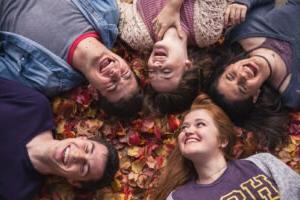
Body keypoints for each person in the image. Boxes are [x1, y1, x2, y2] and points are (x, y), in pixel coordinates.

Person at [0, 0, 143, 118]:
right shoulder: (106, 11)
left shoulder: (44, 78)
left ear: (94, 91)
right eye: (126, 75)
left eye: (112, 86)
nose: (116, 74)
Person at [153, 94, 300, 200]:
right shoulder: (178, 197)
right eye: (184, 127)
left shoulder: (261, 163)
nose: (188, 131)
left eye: (200, 124)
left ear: (222, 140)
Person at [0, 77, 119, 199]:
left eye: (84, 167)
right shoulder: (35, 106)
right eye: (87, 148)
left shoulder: (16, 193)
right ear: (82, 138)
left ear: (74, 181)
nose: (77, 155)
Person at [117, 0, 238, 114]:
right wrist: (172, 7)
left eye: (152, 71)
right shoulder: (206, 30)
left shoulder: (138, 35)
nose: (156, 64)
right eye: (166, 71)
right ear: (188, 66)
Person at [207, 0, 300, 142]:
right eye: (242, 88)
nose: (243, 75)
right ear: (255, 96)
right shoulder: (293, 93)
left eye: (231, 76)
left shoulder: (242, 31)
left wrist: (244, 3)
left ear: (228, 66)